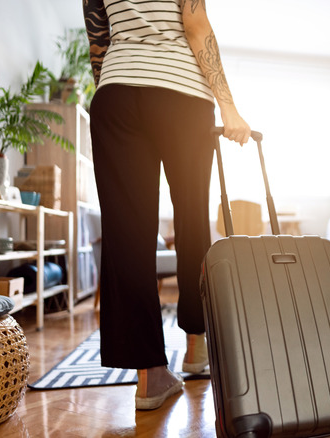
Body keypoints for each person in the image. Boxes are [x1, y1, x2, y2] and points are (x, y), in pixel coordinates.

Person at [83, 0, 251, 410]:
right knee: (193, 219)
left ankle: (150, 378)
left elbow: (98, 41)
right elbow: (195, 24)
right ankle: (196, 348)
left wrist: (117, 86)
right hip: (181, 95)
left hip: (116, 94)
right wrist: (229, 106)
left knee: (126, 234)